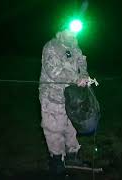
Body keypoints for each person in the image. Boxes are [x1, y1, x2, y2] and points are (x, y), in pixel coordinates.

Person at [38, 29, 90, 177]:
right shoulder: (51, 47)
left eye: (74, 33)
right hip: (52, 97)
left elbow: (82, 65)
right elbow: (53, 71)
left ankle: (73, 157)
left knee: (71, 128)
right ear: (60, 31)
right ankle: (57, 161)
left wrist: (84, 76)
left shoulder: (75, 48)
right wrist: (76, 79)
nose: (72, 35)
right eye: (68, 31)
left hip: (72, 98)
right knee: (54, 129)